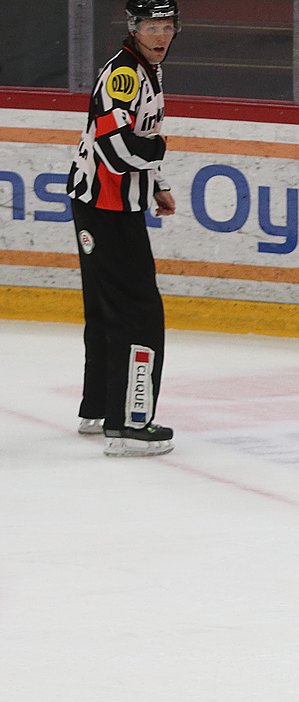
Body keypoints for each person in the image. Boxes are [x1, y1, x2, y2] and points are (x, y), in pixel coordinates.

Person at [66, 0, 178, 457]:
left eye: (168, 26)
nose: (161, 35)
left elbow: (134, 139)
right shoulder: (124, 74)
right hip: (109, 209)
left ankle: (97, 407)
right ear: (134, 28)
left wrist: (157, 184)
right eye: (152, 26)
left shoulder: (145, 70)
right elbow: (118, 150)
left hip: (104, 204)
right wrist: (160, 154)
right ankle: (130, 423)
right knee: (139, 313)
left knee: (107, 307)